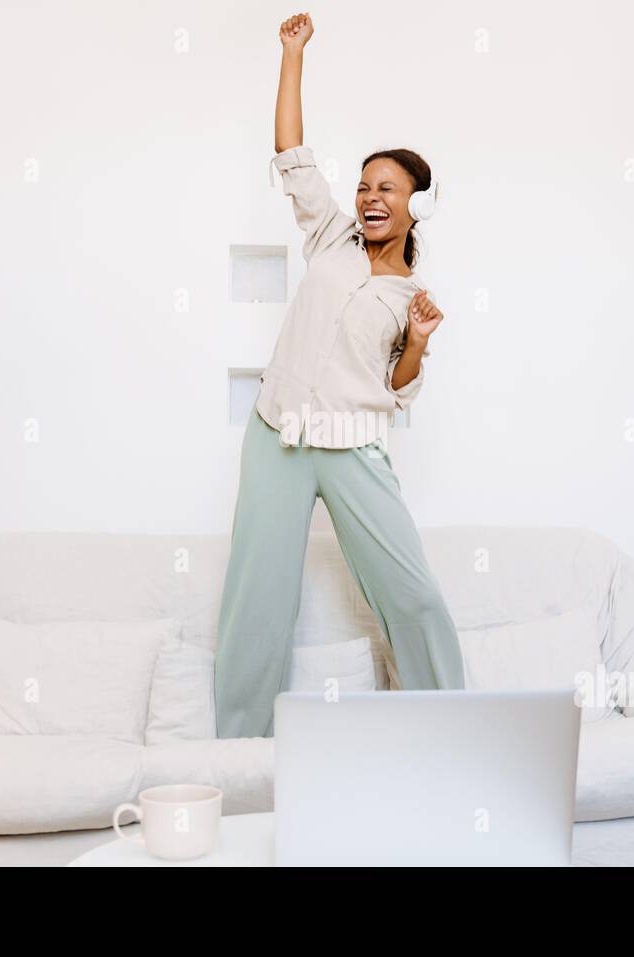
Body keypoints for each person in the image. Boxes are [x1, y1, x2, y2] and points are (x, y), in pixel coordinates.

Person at [213, 12, 465, 740]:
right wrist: (292, 54)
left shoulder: (407, 296)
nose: (369, 196)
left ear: (417, 204)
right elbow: (291, 150)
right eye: (363, 185)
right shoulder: (331, 237)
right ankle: (236, 753)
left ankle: (456, 730)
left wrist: (416, 341)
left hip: (354, 446)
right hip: (278, 434)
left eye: (386, 187)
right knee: (256, 600)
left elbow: (398, 386)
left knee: (411, 594)